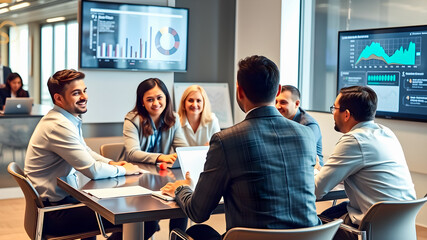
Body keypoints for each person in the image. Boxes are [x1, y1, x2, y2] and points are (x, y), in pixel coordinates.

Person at [161, 55, 321, 240]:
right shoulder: (306, 134)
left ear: (239, 91)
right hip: (307, 237)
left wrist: (182, 189)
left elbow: (198, 212)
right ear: (277, 90)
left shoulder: (226, 140)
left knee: (196, 232)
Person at [24, 69, 144, 240]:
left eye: (84, 91)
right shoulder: (58, 125)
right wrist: (125, 171)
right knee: (140, 219)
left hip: (61, 203)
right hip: (55, 212)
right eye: (76, 93)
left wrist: (113, 164)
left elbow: (85, 150)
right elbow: (93, 171)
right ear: (58, 98)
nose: (84, 97)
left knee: (120, 209)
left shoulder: (65, 118)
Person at [315, 85, 416, 240]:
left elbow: (317, 189)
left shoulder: (354, 141)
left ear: (346, 114)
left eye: (334, 108)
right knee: (337, 209)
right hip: (400, 226)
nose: (333, 113)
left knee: (314, 223)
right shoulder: (386, 133)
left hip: (371, 229)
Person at [122, 78, 189, 234]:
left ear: (166, 98)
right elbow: (132, 153)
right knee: (148, 226)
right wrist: (161, 157)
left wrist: (176, 156)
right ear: (142, 102)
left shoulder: (173, 118)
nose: (156, 103)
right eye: (149, 99)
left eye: (159, 98)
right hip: (135, 181)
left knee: (182, 203)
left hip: (162, 179)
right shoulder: (132, 119)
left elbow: (183, 149)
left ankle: (176, 237)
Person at [275, 85, 323, 165]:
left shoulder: (309, 124)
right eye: (276, 102)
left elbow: (300, 153)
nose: (277, 106)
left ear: (297, 104)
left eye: (283, 102)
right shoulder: (279, 120)